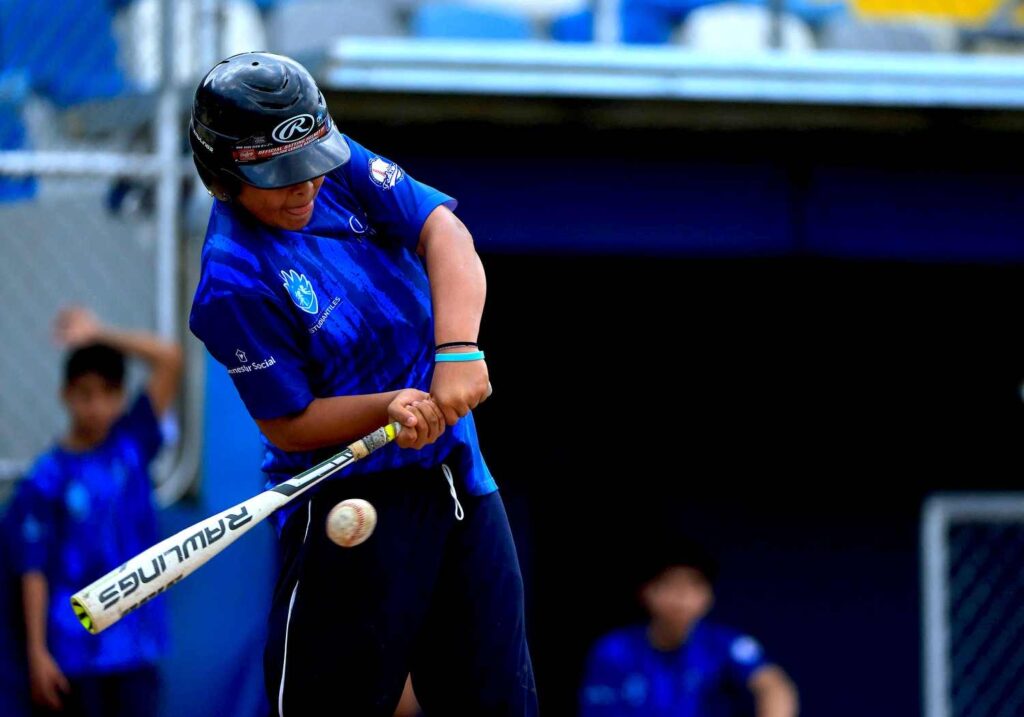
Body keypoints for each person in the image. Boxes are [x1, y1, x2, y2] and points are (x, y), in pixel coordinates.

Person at [187, 52, 537, 716]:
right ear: (223, 175)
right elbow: (288, 422)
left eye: (311, 168)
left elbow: (444, 232)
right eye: (280, 179)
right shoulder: (231, 279)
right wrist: (388, 407)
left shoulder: (334, 164)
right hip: (346, 496)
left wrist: (457, 349)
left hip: (459, 480)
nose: (304, 189)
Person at [6, 307, 182, 716]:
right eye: (85, 394)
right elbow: (33, 568)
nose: (97, 406)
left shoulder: (133, 443)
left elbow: (170, 358)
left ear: (121, 396)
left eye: (108, 393)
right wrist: (37, 652)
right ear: (65, 394)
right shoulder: (46, 477)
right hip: (72, 652)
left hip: (136, 648)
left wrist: (99, 332)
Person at [581, 540, 799, 717]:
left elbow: (773, 686)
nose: (681, 597)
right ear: (646, 592)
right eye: (669, 585)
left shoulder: (723, 643)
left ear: (708, 595)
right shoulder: (614, 649)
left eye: (693, 586)